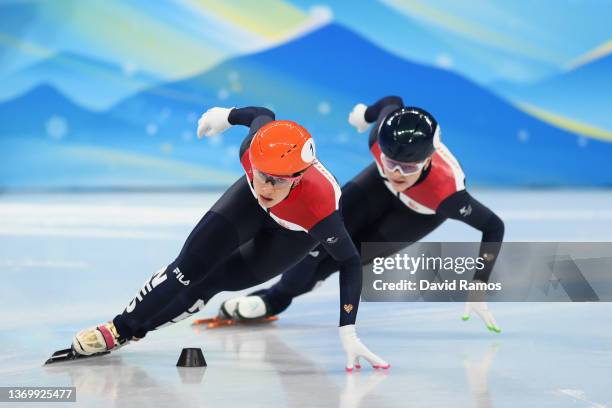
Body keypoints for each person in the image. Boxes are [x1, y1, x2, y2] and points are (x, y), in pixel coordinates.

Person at [68, 105, 388, 371]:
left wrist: (348, 327)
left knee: (214, 281)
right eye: (262, 175)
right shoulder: (252, 151)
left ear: (299, 177)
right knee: (186, 270)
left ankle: (140, 327)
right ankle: (120, 329)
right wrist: (225, 115)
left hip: (293, 233)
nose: (266, 187)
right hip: (246, 207)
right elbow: (262, 114)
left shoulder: (321, 207)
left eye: (277, 182)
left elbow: (348, 260)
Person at [219, 96, 505, 333]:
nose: (396, 174)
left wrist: (479, 284)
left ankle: (277, 299)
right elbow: (392, 102)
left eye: (407, 168)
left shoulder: (449, 194)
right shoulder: (379, 141)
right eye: (390, 163)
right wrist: (366, 114)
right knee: (319, 242)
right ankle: (273, 296)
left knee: (341, 260)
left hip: (421, 211)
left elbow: (494, 227)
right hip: (374, 187)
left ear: (429, 159)